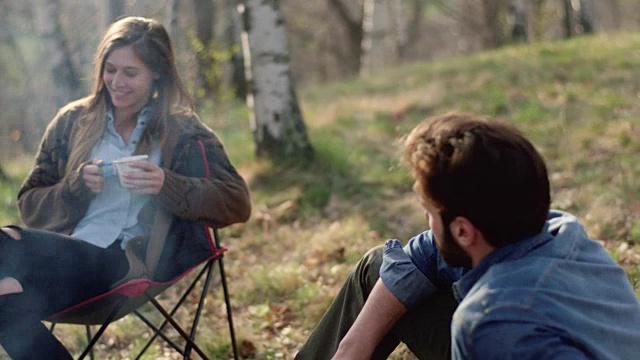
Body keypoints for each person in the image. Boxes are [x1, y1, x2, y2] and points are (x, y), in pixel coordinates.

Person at [0, 16, 251, 359]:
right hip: (65, 256)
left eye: (130, 73)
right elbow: (30, 204)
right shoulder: (72, 121)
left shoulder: (183, 130)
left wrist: (167, 185)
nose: (116, 82)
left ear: (157, 73)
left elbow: (237, 202)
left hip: (125, 266)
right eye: (110, 69)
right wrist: (76, 188)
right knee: (5, 299)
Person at [296, 113, 640, 359]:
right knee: (379, 267)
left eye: (429, 212)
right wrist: (353, 343)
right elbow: (428, 252)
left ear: (462, 230)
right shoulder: (561, 230)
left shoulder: (488, 321)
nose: (426, 222)